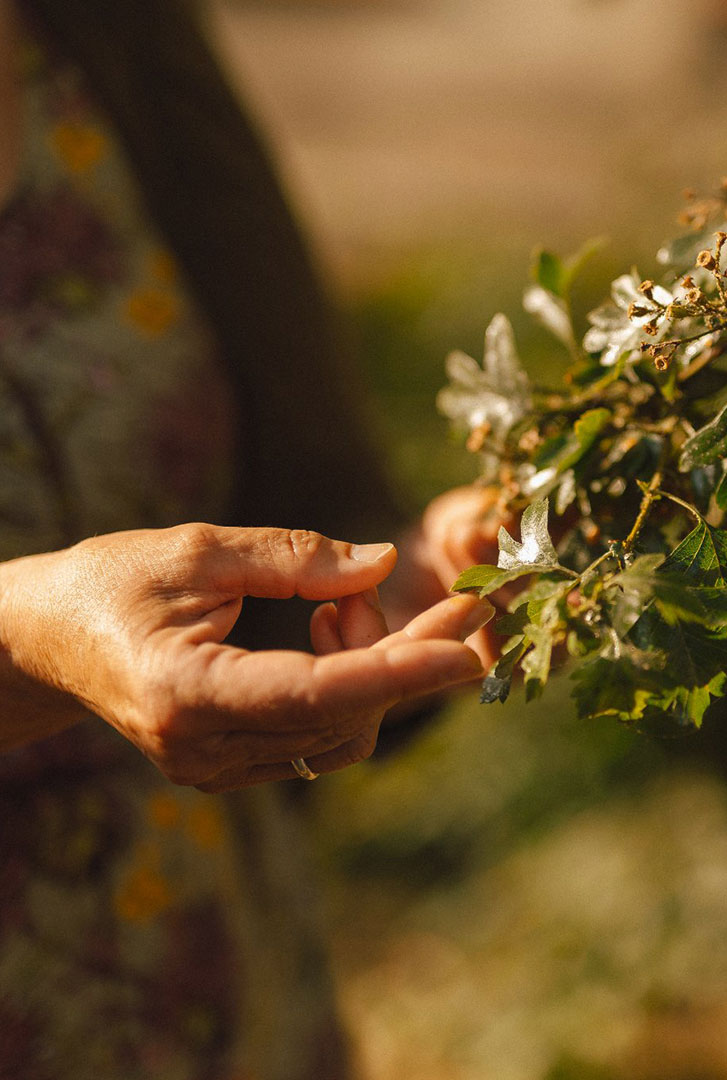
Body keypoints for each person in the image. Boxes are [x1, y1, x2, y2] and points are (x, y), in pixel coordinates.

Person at [0, 1, 499, 1076]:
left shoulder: (106, 33)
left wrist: (386, 591)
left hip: (231, 993)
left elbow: (305, 492)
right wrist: (26, 643)